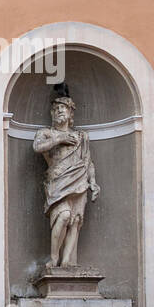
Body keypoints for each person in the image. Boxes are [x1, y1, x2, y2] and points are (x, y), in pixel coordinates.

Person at [32, 93, 99, 268]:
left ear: (70, 114)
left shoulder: (81, 136)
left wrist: (93, 182)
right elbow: (37, 147)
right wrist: (60, 138)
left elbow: (87, 161)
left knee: (75, 220)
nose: (59, 111)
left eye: (63, 109)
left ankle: (67, 261)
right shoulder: (46, 133)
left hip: (79, 180)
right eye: (56, 109)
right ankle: (54, 258)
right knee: (63, 216)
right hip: (57, 180)